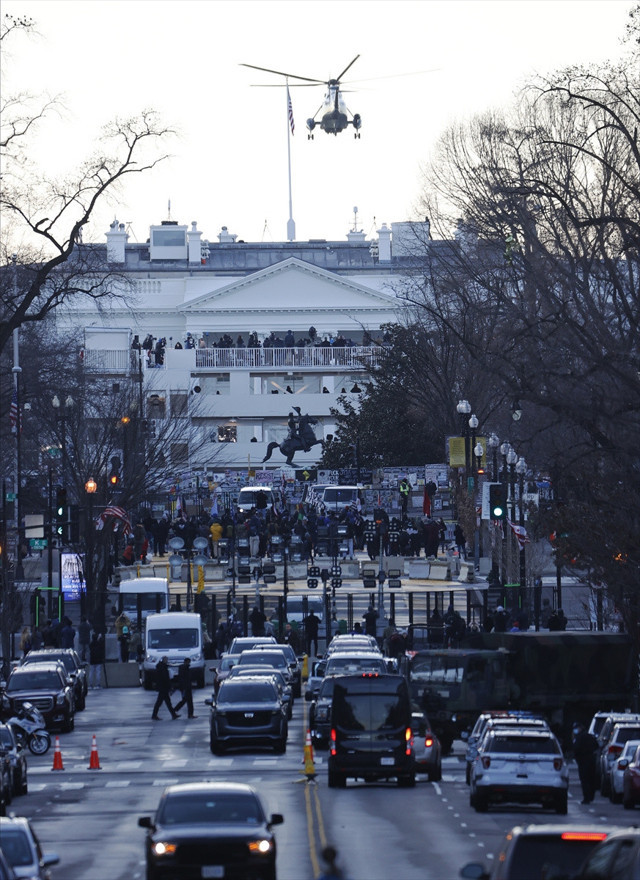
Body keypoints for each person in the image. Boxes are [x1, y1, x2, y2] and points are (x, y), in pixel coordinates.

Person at [572, 722, 599, 804]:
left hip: (583, 761)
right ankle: (591, 796)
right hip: (591, 760)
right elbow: (596, 746)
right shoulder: (590, 736)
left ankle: (587, 798)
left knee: (585, 780)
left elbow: (576, 749)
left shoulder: (579, 738)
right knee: (591, 779)